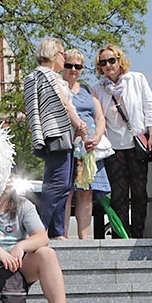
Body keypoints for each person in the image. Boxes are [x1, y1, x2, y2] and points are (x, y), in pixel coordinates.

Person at [23, 37, 90, 239]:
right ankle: (41, 228)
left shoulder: (36, 76)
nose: (65, 58)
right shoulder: (48, 76)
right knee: (58, 184)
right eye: (63, 54)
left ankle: (57, 231)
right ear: (53, 55)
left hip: (57, 134)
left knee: (62, 184)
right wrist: (80, 124)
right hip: (57, 134)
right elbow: (64, 104)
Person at [91, 44, 152, 239]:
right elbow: (98, 118)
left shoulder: (136, 79)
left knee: (139, 193)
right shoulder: (98, 89)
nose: (108, 65)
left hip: (137, 144)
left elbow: (150, 108)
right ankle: (122, 237)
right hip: (114, 148)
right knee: (119, 196)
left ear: (120, 61)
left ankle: (138, 235)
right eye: (103, 62)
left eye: (112, 60)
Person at [62, 49, 110, 240]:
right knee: (67, 193)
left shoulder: (88, 89)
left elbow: (99, 117)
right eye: (69, 65)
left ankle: (84, 239)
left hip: (90, 148)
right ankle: (62, 236)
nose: (73, 69)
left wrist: (96, 138)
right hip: (69, 146)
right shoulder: (59, 86)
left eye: (78, 66)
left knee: (86, 192)